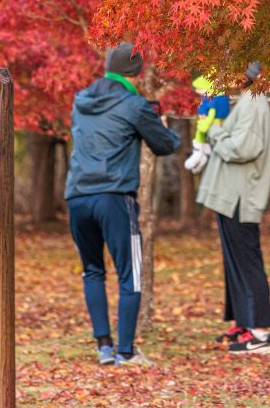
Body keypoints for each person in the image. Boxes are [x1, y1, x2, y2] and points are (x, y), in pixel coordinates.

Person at [65, 41, 181, 366]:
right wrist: (164, 126)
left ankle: (104, 346)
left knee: (92, 271)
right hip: (115, 197)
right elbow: (164, 145)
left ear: (106, 67)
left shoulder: (80, 100)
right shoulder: (134, 104)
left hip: (77, 196)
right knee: (131, 274)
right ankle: (126, 352)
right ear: (138, 72)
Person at [196, 61, 270, 356]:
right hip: (230, 195)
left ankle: (261, 334)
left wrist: (214, 131)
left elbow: (242, 148)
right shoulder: (245, 101)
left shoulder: (254, 103)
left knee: (247, 261)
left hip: (242, 197)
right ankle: (243, 323)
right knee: (234, 263)